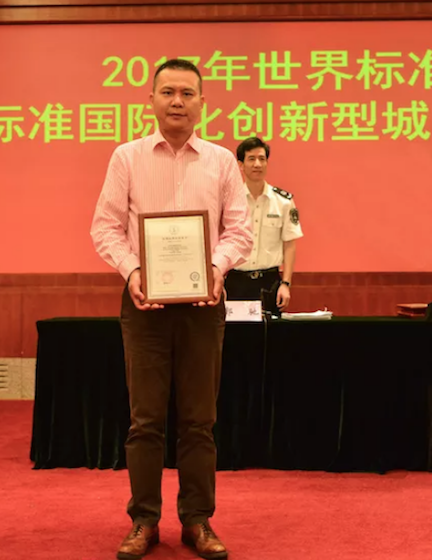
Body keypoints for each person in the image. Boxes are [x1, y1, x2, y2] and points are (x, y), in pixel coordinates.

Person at [90, 59, 253, 560]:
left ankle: (197, 520)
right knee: (145, 420)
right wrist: (134, 272)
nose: (177, 101)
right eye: (167, 92)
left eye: (187, 93)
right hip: (145, 303)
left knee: (199, 421)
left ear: (203, 102)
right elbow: (105, 227)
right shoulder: (127, 157)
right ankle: (144, 521)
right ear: (152, 100)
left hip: (204, 303)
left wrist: (216, 269)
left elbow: (240, 231)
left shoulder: (221, 161)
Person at [224, 137, 303, 316]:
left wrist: (286, 284)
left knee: (271, 332)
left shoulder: (283, 201)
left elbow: (289, 244)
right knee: (236, 332)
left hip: (270, 282)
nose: (257, 164)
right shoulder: (229, 201)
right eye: (251, 159)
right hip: (236, 281)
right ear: (241, 165)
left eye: (262, 159)